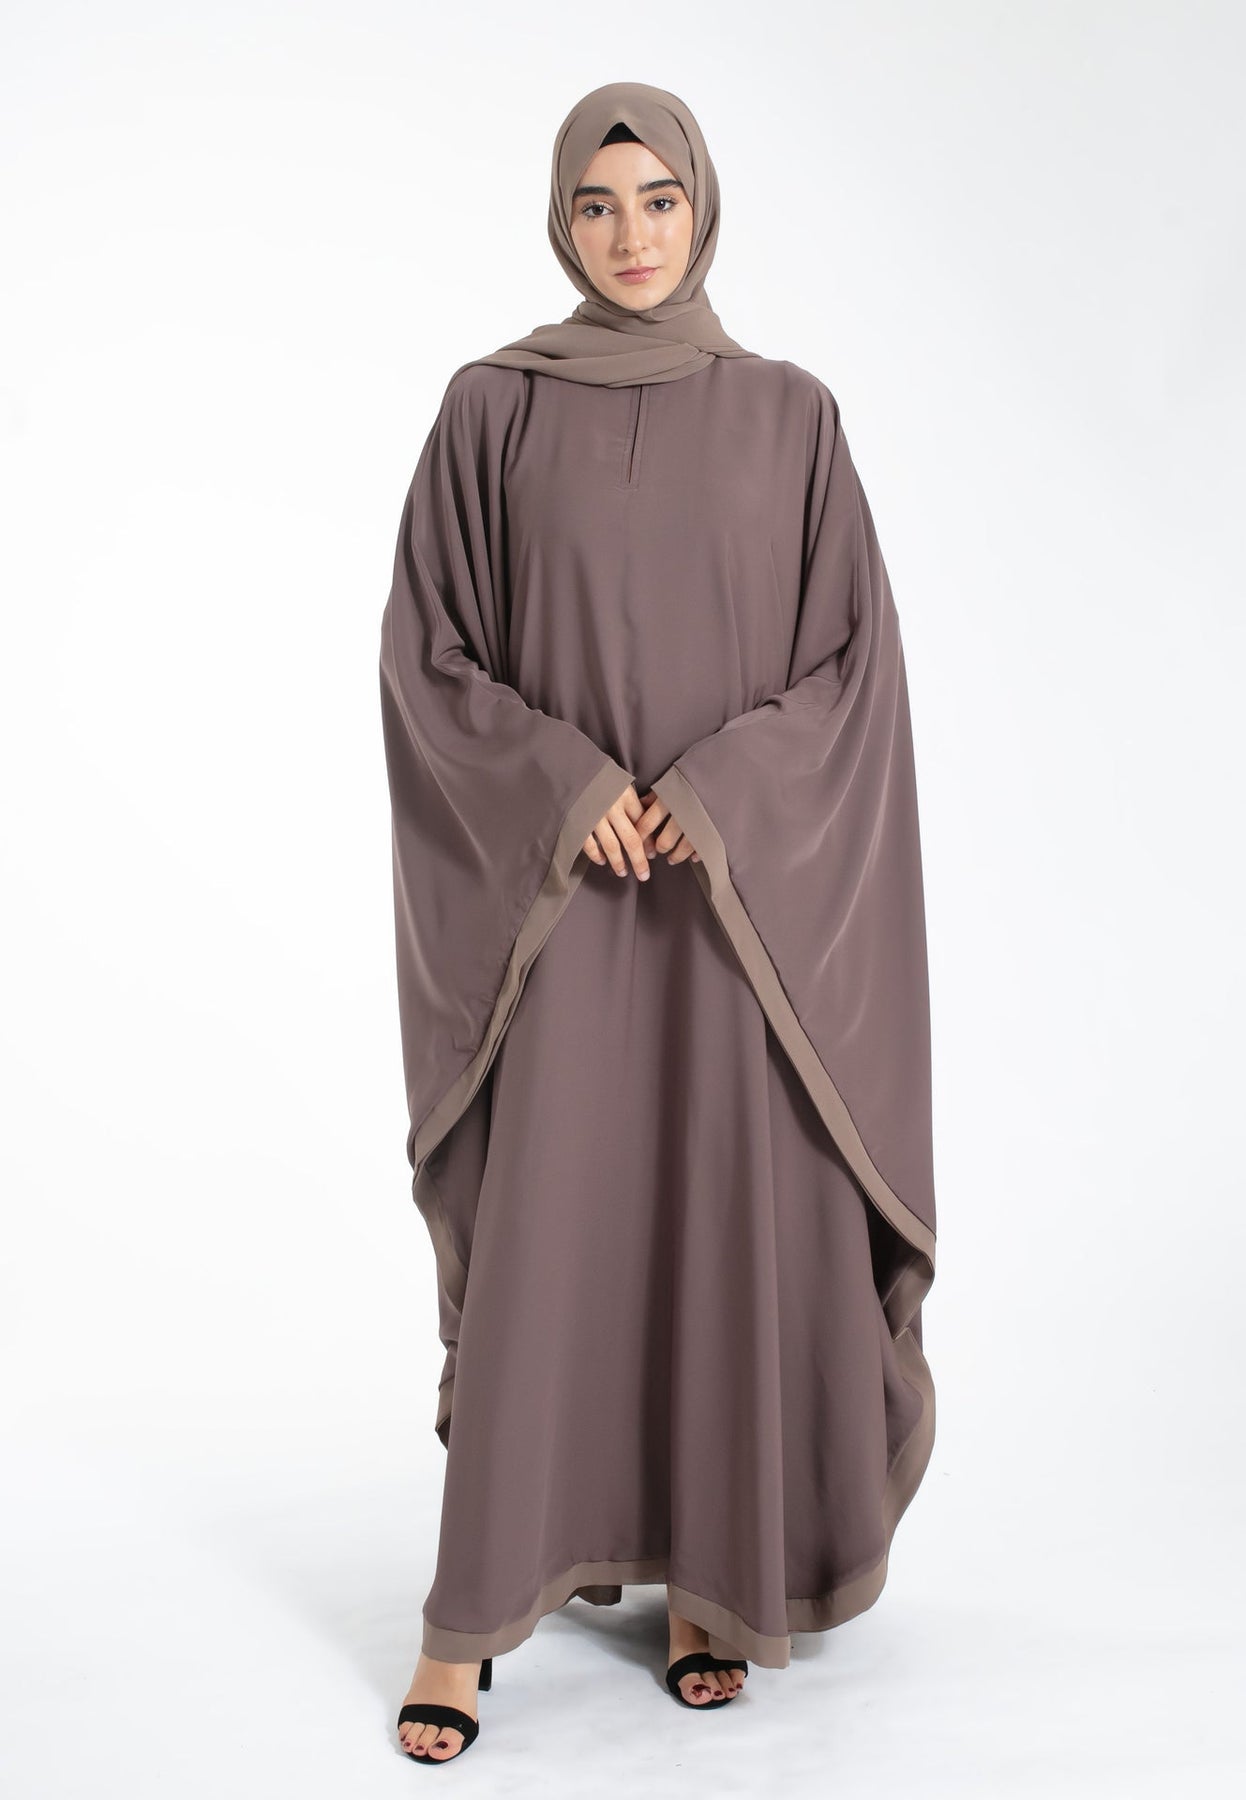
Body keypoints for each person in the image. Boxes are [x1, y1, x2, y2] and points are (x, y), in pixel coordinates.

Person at [378, 80, 938, 1765]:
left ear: (701, 208)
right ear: (561, 220)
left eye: (658, 201)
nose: (630, 235)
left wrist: (722, 790)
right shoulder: (490, 411)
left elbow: (851, 669)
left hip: (730, 915)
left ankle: (713, 1582)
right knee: (553, 1228)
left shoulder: (790, 417)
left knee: (721, 1224)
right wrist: (562, 786)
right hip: (560, 909)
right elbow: (428, 655)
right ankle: (467, 1619)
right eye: (597, 203)